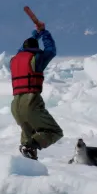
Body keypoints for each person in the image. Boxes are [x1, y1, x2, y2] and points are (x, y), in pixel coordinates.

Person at [10, 21, 64, 160]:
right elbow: (51, 50)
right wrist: (45, 33)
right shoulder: (36, 59)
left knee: (28, 137)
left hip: (15, 105)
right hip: (31, 102)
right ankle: (30, 147)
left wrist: (36, 34)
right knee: (54, 131)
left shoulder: (15, 59)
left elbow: (22, 49)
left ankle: (27, 168)